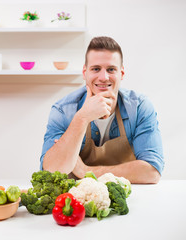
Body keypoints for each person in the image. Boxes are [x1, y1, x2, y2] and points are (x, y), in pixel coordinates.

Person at [40, 36, 164, 184]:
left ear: (121, 74)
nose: (104, 77)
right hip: (78, 201)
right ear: (85, 73)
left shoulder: (139, 107)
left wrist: (86, 171)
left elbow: (152, 172)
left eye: (111, 69)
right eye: (96, 69)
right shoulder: (63, 110)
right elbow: (50, 171)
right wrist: (82, 118)